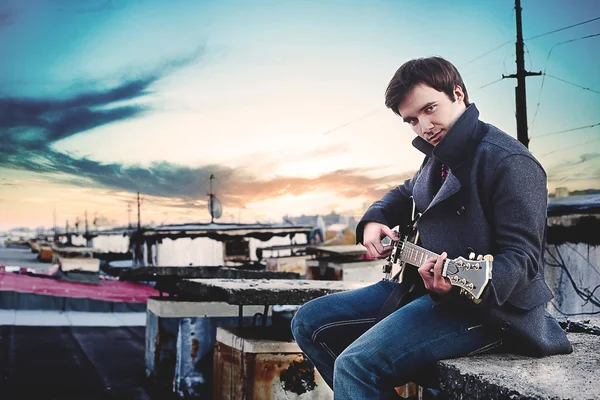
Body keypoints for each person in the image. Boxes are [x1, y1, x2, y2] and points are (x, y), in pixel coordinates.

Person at [291, 56, 572, 399]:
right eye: (411, 120)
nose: (424, 126)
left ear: (457, 93)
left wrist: (452, 286)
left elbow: (523, 259)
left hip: (488, 309)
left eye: (429, 109)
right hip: (418, 286)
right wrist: (374, 219)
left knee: (355, 365)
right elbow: (407, 191)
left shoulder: (509, 161)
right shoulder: (439, 153)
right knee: (308, 321)